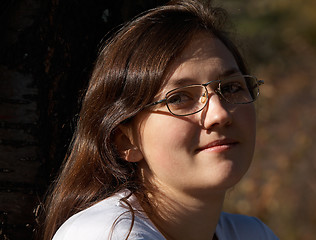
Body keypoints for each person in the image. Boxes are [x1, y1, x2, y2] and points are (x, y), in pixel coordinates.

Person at [42, 0, 279, 239]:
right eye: (178, 98)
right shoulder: (107, 234)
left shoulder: (253, 234)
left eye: (230, 88)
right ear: (126, 141)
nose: (219, 114)